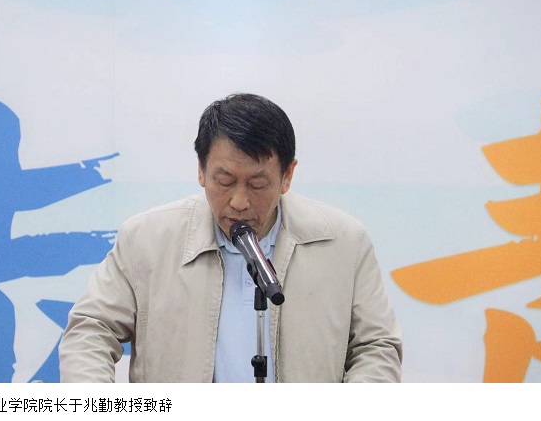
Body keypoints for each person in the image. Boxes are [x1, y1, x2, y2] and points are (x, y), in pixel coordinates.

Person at [59, 93, 402, 382]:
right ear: (201, 170)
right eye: (224, 181)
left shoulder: (344, 243)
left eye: (257, 183)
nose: (239, 201)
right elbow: (92, 329)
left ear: (287, 175)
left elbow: (376, 347)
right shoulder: (145, 240)